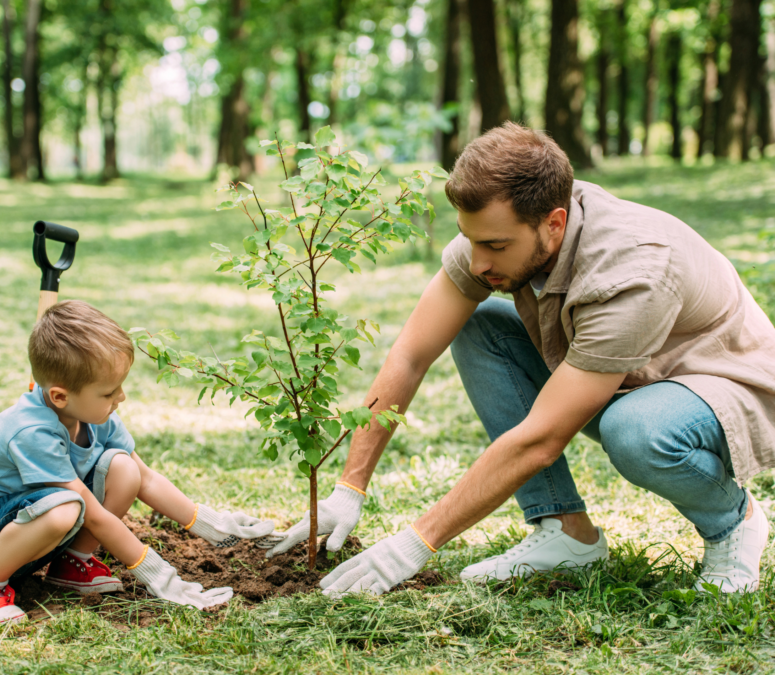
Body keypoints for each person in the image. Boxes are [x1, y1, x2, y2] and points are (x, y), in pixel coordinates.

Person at [269, 122, 775, 597]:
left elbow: (541, 440)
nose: (477, 261)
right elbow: (410, 354)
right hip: (625, 376)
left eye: (494, 245)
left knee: (634, 429)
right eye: (470, 239)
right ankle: (566, 533)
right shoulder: (497, 236)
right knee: (478, 322)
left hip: (721, 389)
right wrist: (349, 488)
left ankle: (733, 521)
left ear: (554, 223)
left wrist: (414, 543)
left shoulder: (633, 271)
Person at [0, 300, 279, 625]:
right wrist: (159, 575)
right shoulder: (31, 432)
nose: (121, 397)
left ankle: (71, 564)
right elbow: (94, 516)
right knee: (66, 507)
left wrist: (211, 525)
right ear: (59, 396)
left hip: (26, 524)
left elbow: (145, 479)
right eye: (108, 392)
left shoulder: (93, 414)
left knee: (123, 469)